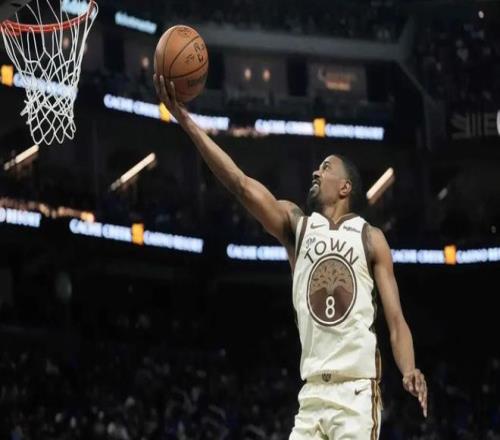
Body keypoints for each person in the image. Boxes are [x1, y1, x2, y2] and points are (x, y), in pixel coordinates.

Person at [154, 75, 428, 439]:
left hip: (356, 393)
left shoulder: (370, 238)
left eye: (326, 167)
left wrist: (409, 368)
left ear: (345, 187)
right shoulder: (296, 225)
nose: (316, 171)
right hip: (312, 395)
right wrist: (187, 121)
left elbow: (395, 321)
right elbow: (239, 183)